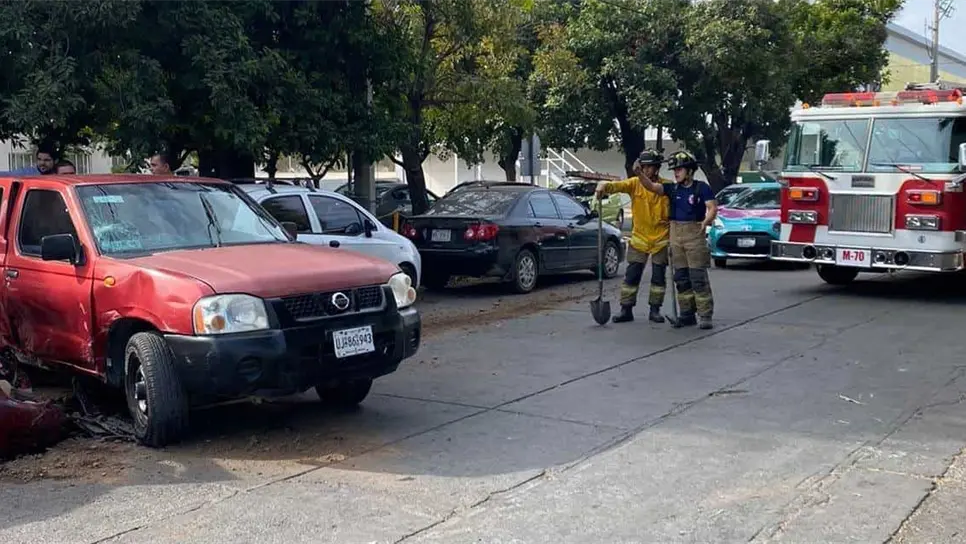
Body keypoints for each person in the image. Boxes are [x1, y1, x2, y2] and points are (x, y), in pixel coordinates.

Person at [635, 150, 718, 329]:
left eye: (679, 169)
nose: (676, 173)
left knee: (698, 278)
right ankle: (687, 314)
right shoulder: (672, 189)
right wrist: (639, 174)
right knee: (681, 278)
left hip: (694, 234)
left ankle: (705, 315)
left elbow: (712, 207)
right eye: (674, 170)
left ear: (689, 171)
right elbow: (651, 187)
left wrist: (706, 221)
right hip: (675, 234)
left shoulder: (701, 187)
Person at [594, 149, 670, 323]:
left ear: (657, 168)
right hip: (639, 238)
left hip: (661, 238)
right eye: (644, 167)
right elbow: (616, 186)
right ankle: (626, 309)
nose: (646, 171)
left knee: (658, 278)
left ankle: (655, 310)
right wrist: (602, 186)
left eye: (650, 167)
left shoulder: (667, 186)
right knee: (631, 276)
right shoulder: (634, 184)